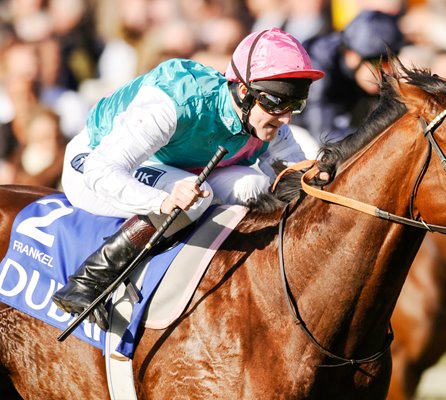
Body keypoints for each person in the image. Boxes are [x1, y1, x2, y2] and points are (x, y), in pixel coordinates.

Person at [51, 28, 326, 329]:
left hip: (171, 169)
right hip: (93, 161)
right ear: (244, 92)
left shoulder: (266, 117)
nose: (286, 118)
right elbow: (101, 171)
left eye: (295, 105)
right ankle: (88, 280)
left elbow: (297, 173)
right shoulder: (176, 101)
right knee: (196, 197)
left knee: (254, 186)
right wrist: (161, 201)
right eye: (277, 103)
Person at [293, 9, 403, 144]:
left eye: (390, 62)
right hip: (295, 143)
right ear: (352, 56)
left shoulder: (359, 61)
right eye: (378, 62)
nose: (387, 73)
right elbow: (323, 138)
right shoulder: (318, 63)